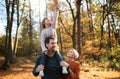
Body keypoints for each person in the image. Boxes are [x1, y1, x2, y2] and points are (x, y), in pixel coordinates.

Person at [39, 4, 68, 76]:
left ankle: (63, 67)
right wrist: (44, 49)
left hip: (54, 45)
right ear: (44, 22)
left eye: (49, 19)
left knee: (58, 55)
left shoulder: (53, 27)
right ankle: (41, 71)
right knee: (43, 57)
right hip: (46, 46)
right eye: (47, 19)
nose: (49, 20)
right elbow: (42, 41)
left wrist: (56, 10)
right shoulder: (43, 31)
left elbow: (55, 19)